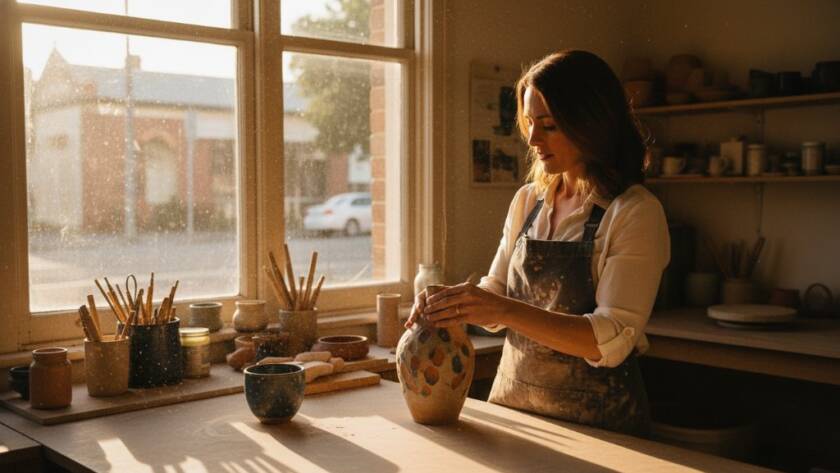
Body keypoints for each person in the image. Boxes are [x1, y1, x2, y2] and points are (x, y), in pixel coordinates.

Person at [407, 50, 670, 437]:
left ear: (591, 124)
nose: (532, 139)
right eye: (530, 123)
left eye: (548, 125)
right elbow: (496, 293)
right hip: (517, 413)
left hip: (600, 427)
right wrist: (454, 302)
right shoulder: (528, 201)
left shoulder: (634, 212)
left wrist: (503, 309)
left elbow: (610, 339)